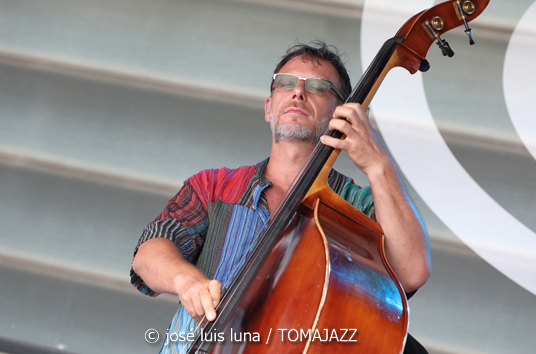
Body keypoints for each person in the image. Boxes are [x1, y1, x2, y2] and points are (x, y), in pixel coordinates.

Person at [131, 40, 431, 354]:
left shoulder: (356, 208)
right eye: (285, 83)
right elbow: (148, 254)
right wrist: (186, 281)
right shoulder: (213, 186)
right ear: (268, 108)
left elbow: (411, 271)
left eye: (318, 86)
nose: (298, 92)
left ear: (343, 116)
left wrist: (379, 165)